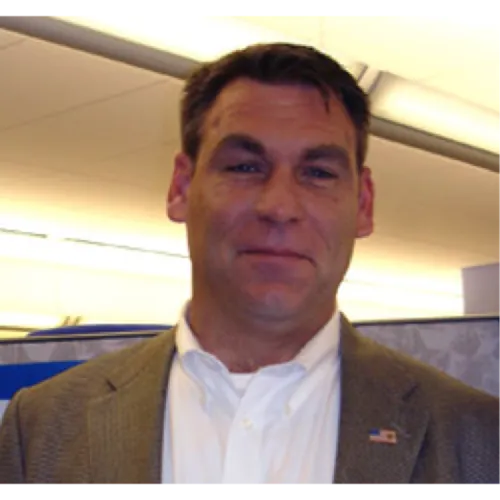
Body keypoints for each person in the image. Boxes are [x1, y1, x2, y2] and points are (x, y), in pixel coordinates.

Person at [1, 43, 500, 489]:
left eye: (318, 172)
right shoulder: (41, 428)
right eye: (244, 166)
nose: (279, 206)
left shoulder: (475, 438)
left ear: (364, 204)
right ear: (181, 188)